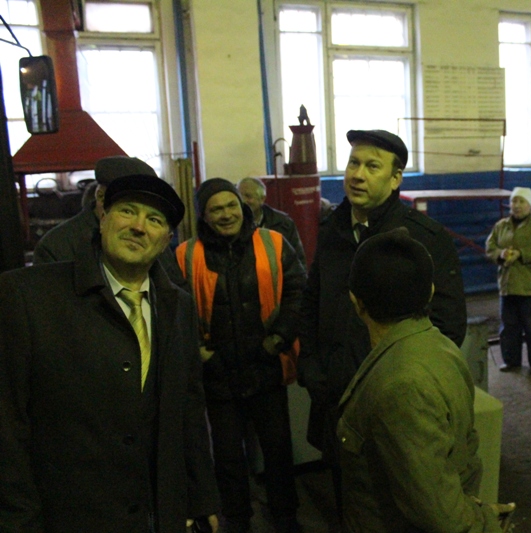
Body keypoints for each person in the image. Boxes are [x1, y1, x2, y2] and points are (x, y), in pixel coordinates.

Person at [0, 174, 220, 532]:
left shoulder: (178, 307)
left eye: (154, 220)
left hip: (156, 514)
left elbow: (189, 411)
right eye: (127, 211)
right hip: (69, 517)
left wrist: (202, 497)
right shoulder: (29, 297)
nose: (138, 227)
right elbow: (8, 428)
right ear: (102, 218)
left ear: (166, 239)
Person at [298, 129, 467, 512]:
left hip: (395, 409)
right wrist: (312, 369)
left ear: (395, 179)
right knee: (348, 504)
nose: (357, 175)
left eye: (372, 166)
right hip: (335, 401)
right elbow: (312, 302)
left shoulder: (423, 239)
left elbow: (448, 325)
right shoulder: (332, 230)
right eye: (353, 163)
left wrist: (403, 385)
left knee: (397, 505)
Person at [339, 228, 513, 532]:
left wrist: (485, 524)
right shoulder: (439, 346)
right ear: (430, 292)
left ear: (356, 302)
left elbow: (440, 513)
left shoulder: (401, 386)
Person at [175, 178, 305, 533]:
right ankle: (237, 519)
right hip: (218, 374)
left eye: (231, 205)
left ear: (242, 206)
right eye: (216, 209)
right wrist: (201, 354)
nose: (226, 214)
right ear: (204, 216)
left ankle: (285, 515)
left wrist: (277, 340)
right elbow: (175, 308)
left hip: (266, 367)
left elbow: (298, 292)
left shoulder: (273, 243)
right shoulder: (185, 255)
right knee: (228, 456)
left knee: (277, 451)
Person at [33, 156, 187, 290]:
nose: (139, 226)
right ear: (100, 196)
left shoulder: (151, 239)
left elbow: (176, 290)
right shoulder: (57, 246)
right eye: (128, 210)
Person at [485, 186, 531, 375]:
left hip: (530, 288)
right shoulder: (501, 226)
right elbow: (490, 247)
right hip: (507, 287)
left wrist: (521, 254)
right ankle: (511, 361)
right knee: (509, 328)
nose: (517, 205)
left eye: (522, 201)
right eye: (514, 201)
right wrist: (501, 254)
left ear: (530, 205)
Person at [237, 176, 307, 267]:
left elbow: (297, 260)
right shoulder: (231, 224)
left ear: (262, 199)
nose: (243, 201)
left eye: (248, 196)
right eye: (239, 196)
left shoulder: (283, 223)